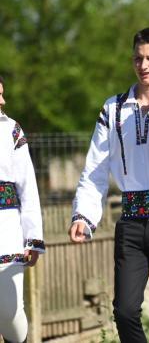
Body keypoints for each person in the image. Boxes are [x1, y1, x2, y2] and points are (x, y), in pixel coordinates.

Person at [68, 28, 149, 342]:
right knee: (124, 310)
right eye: (139, 58)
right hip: (132, 221)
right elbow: (95, 168)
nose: (145, 65)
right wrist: (84, 216)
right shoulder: (113, 109)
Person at [0, 75, 45, 343]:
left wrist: (33, 238)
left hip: (7, 234)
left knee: (10, 314)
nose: (3, 100)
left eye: (2, 93)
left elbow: (27, 186)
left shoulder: (11, 129)